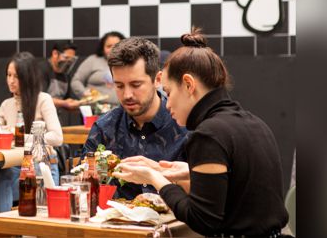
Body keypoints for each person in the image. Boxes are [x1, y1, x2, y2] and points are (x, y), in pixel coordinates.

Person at [113, 29, 288, 237]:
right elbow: (241, 182)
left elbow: (203, 220)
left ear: (188, 84)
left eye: (168, 92)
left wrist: (155, 179)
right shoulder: (254, 122)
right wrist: (189, 171)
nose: (167, 104)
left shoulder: (208, 134)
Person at [81, 36, 188, 200]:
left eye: (136, 85)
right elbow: (82, 187)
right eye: (119, 86)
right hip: (116, 221)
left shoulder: (184, 125)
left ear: (157, 80)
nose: (127, 95)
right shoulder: (105, 128)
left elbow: (205, 193)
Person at [0, 52, 64, 213]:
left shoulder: (43, 99)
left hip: (41, 164)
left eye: (16, 76)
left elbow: (57, 137)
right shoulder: (6, 104)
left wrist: (20, 138)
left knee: (2, 180)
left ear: (27, 77)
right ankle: (4, 228)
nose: (11, 81)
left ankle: (4, 225)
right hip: (15, 166)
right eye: (8, 75)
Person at [71, 31, 125, 106]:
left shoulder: (128, 63)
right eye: (109, 46)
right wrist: (84, 93)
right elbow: (76, 81)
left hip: (122, 110)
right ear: (103, 48)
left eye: (116, 46)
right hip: (95, 111)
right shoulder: (93, 60)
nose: (113, 49)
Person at [38, 41, 81, 124]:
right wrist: (64, 103)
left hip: (55, 119)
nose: (68, 62)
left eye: (71, 59)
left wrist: (81, 105)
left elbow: (67, 101)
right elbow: (39, 97)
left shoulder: (66, 75)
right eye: (66, 58)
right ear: (55, 54)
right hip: (39, 120)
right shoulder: (42, 69)